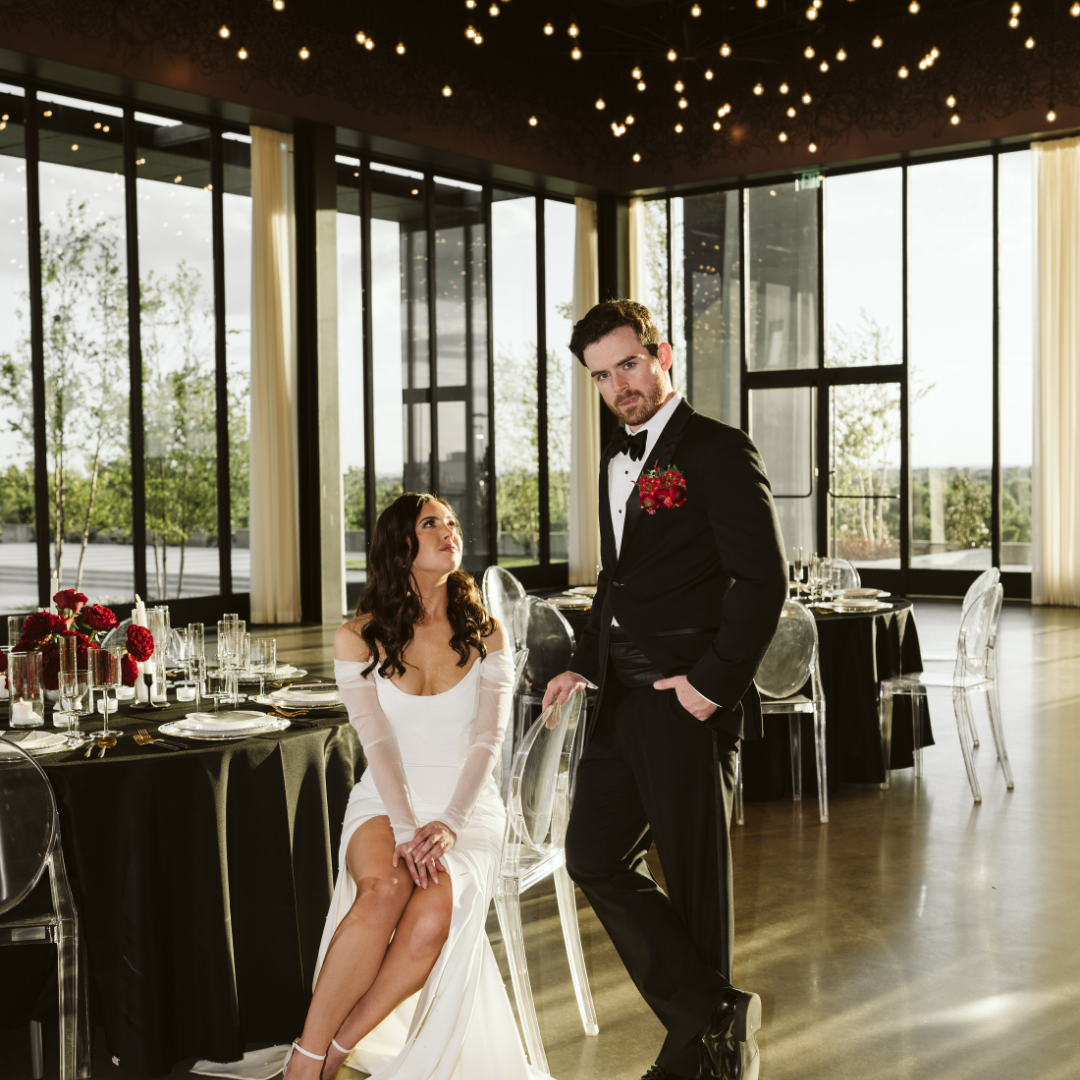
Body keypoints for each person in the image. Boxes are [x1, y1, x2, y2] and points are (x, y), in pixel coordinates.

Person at [543, 300, 787, 1080]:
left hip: (686, 705)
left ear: (664, 355)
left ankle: (703, 1060)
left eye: (628, 364)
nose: (619, 385)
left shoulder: (717, 450)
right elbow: (618, 582)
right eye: (601, 375)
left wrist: (712, 686)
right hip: (621, 701)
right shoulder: (616, 457)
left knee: (694, 882)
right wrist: (585, 659)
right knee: (591, 855)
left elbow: (764, 579)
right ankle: (712, 1012)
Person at [285, 493, 548, 1080]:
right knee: (381, 891)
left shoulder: (487, 633)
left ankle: (338, 1048)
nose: (449, 532)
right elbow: (375, 743)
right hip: (387, 800)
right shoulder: (358, 637)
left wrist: (449, 823)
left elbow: (488, 741)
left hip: (466, 809)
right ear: (400, 544)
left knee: (430, 918)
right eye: (432, 524)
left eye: (452, 524)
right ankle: (305, 1060)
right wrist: (407, 828)